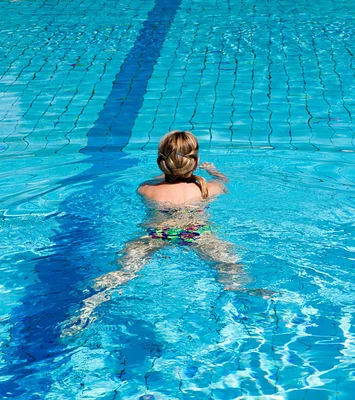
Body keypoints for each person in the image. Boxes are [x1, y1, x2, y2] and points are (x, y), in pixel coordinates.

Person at [61, 131, 258, 337]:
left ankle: (87, 309)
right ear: (196, 161)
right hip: (197, 233)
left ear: (161, 163)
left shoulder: (145, 189)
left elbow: (161, 180)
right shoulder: (210, 188)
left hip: (156, 234)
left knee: (122, 272)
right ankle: (242, 296)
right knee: (230, 265)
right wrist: (213, 171)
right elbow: (224, 181)